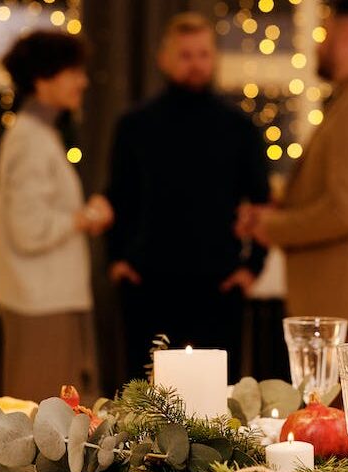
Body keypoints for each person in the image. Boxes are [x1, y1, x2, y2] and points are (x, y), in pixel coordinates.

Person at [237, 0, 348, 342]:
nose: (319, 44)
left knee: (347, 399)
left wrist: (271, 227)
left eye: (325, 32)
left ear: (347, 34)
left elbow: (346, 210)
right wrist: (280, 209)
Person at [107, 13, 270, 382]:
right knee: (144, 402)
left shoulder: (239, 128)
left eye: (203, 54)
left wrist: (253, 267)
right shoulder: (134, 125)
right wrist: (116, 260)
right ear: (163, 58)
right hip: (147, 286)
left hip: (219, 287)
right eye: (185, 55)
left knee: (216, 405)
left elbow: (261, 202)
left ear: (214, 58)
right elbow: (118, 197)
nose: (196, 64)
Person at [0, 31, 113, 402]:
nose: (83, 81)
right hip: (40, 303)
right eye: (73, 71)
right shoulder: (30, 138)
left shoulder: (39, 133)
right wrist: (85, 217)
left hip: (45, 298)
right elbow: (29, 229)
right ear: (43, 79)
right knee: (45, 418)